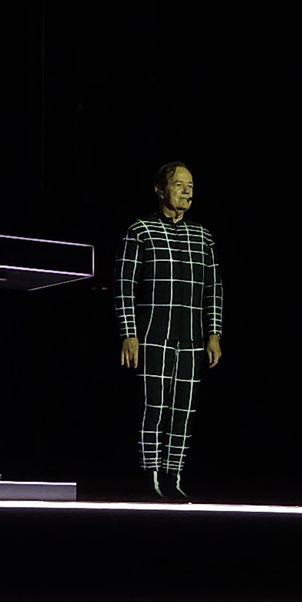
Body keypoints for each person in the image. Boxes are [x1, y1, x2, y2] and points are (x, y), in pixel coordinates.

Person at [116, 162, 223, 500]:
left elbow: (214, 289)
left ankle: (174, 476)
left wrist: (214, 333)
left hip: (191, 338)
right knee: (154, 407)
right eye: (179, 184)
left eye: (191, 185)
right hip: (153, 334)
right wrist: (129, 333)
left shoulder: (202, 237)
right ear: (160, 190)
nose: (187, 191)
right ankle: (149, 478)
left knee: (183, 411)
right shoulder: (141, 231)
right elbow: (124, 285)